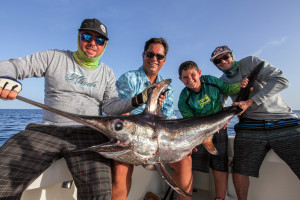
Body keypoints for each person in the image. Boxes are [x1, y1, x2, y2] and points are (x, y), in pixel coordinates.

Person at [0, 18, 152, 200]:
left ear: (105, 45)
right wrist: (6, 76)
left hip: (88, 135)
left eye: (100, 40)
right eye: (87, 36)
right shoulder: (54, 57)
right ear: (79, 37)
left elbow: (110, 106)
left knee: (100, 194)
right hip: (47, 130)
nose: (92, 43)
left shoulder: (107, 73)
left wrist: (138, 99)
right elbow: (15, 65)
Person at [210, 45, 300, 200]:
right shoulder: (222, 82)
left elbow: (282, 80)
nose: (223, 62)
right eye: (218, 61)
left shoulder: (251, 62)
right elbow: (218, 106)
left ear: (232, 55)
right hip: (249, 125)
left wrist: (251, 101)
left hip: (282, 119)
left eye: (226, 57)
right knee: (239, 169)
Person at [112, 37, 192, 200]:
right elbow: (120, 111)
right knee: (120, 165)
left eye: (159, 56)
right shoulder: (128, 78)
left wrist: (185, 141)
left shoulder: (166, 88)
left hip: (159, 143)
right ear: (143, 55)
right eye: (150, 54)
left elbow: (169, 119)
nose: (154, 59)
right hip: (132, 140)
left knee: (185, 160)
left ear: (164, 60)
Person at [178, 61, 248, 200]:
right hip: (199, 131)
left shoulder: (211, 81)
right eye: (185, 77)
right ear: (180, 80)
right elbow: (192, 122)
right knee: (191, 163)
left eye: (192, 75)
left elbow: (227, 89)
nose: (190, 79)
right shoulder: (183, 99)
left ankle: (220, 198)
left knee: (219, 163)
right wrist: (204, 134)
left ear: (199, 73)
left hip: (219, 125)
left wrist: (240, 86)